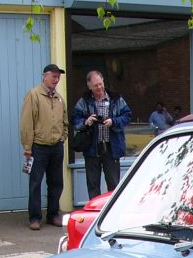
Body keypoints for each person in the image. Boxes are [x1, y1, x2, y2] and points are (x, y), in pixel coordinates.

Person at [19, 64, 68, 230]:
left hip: (56, 146)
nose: (56, 79)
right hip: (38, 147)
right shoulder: (34, 95)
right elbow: (27, 122)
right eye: (53, 76)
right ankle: (35, 217)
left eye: (58, 76)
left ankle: (53, 214)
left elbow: (65, 121)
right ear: (44, 77)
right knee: (36, 183)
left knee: (56, 183)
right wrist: (28, 146)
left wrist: (63, 137)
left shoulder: (59, 99)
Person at [71, 70, 132, 199]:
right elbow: (74, 119)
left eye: (100, 84)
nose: (99, 87)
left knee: (114, 184)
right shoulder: (84, 101)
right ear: (89, 86)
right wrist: (86, 122)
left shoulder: (116, 98)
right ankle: (95, 214)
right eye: (95, 85)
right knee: (93, 185)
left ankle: (111, 213)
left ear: (103, 81)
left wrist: (113, 122)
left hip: (112, 147)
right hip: (92, 148)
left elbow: (127, 116)